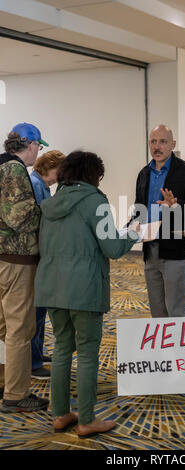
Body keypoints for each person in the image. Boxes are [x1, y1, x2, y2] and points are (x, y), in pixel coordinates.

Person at [34, 150, 140, 438]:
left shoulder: (50, 203)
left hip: (52, 287)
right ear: (94, 175)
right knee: (89, 353)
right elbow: (113, 248)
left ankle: (60, 414)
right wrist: (133, 232)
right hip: (84, 289)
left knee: (61, 350)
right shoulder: (96, 201)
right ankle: (87, 419)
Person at [0, 122, 50, 412]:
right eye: (38, 147)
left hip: (2, 258)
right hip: (16, 261)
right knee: (20, 328)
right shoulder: (15, 169)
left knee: (4, 325)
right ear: (29, 145)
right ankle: (16, 395)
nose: (37, 154)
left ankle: (4, 382)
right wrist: (47, 216)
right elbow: (21, 218)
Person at [132, 124, 185, 318]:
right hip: (150, 249)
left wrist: (175, 205)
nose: (157, 146)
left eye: (163, 142)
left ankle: (181, 349)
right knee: (157, 309)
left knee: (176, 308)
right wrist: (130, 227)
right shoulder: (144, 173)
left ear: (172, 144)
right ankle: (163, 349)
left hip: (176, 250)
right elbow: (139, 208)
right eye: (153, 141)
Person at [30, 150, 65, 380]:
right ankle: (33, 363)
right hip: (35, 256)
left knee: (41, 309)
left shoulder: (42, 186)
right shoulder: (35, 184)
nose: (57, 178)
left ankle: (38, 354)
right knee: (34, 311)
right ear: (48, 166)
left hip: (41, 256)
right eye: (56, 173)